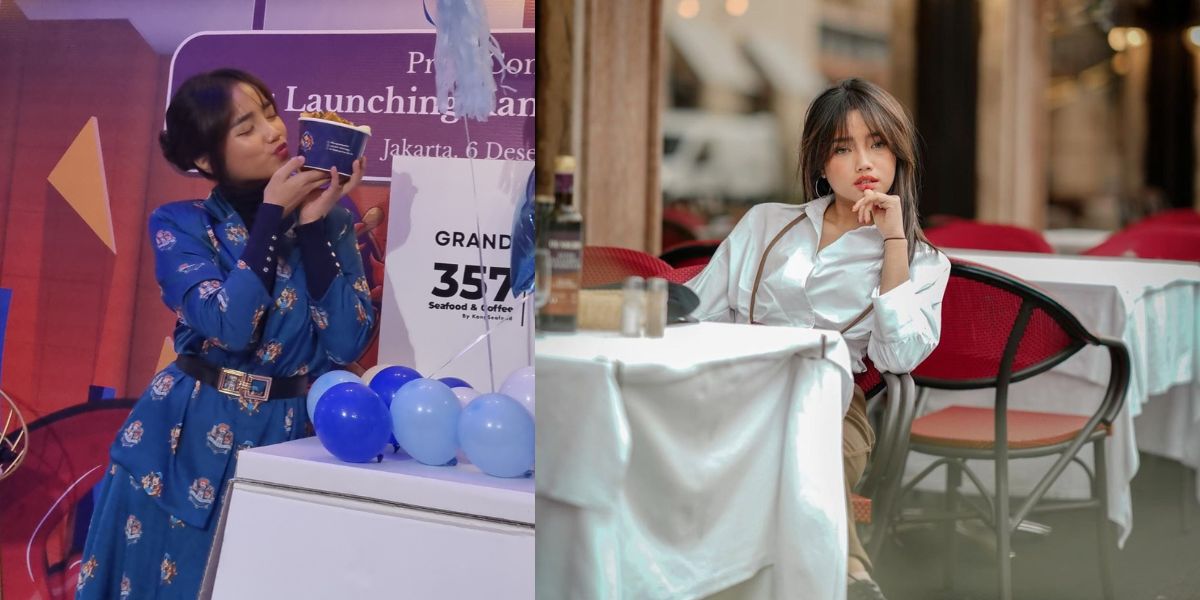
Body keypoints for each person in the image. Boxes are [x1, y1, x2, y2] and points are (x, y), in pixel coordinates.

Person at [75, 68, 375, 599]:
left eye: (269, 110)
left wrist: (309, 226)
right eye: (246, 126)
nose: (272, 130)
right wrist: (271, 217)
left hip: (288, 433)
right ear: (206, 160)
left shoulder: (331, 215)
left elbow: (348, 342)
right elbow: (228, 326)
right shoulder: (181, 223)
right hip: (181, 439)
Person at [684, 78, 950, 600]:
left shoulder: (923, 260)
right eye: (842, 148)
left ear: (898, 155)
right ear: (820, 163)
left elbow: (897, 356)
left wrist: (893, 240)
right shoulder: (765, 223)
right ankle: (849, 570)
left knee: (803, 439)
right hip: (736, 389)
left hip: (830, 402)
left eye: (877, 144)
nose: (863, 162)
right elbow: (694, 309)